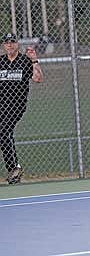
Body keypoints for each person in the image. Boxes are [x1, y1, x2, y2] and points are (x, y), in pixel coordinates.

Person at [0, 33, 43, 184]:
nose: (9, 45)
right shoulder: (1, 62)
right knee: (3, 133)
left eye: (12, 42)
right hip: (1, 105)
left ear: (17, 44)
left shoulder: (24, 61)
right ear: (4, 45)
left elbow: (38, 78)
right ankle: (14, 168)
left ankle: (14, 168)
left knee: (4, 130)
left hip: (16, 106)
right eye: (6, 42)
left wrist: (34, 60)